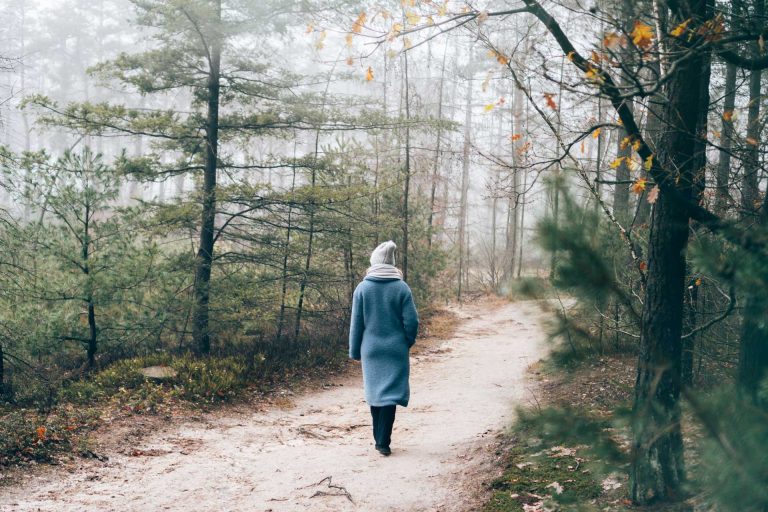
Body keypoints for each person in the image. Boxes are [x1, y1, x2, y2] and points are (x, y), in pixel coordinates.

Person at [349, 240, 419, 456]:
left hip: (371, 350)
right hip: (395, 349)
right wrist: (406, 341)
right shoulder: (401, 287)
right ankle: (383, 442)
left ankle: (378, 439)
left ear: (374, 262)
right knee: (390, 394)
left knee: (375, 393)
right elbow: (412, 321)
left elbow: (356, 323)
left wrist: (354, 350)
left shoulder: (363, 288)